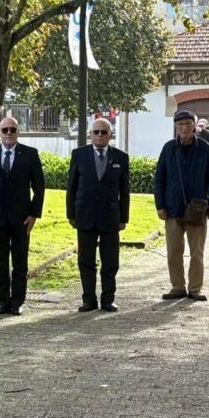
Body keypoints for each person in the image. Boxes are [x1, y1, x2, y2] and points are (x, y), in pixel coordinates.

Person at [153, 110, 209, 302]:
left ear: (194, 126)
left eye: (187, 124)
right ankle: (177, 287)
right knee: (174, 251)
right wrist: (160, 205)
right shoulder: (168, 148)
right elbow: (159, 178)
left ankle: (195, 289)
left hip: (197, 209)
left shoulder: (204, 148)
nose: (184, 128)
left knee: (197, 253)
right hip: (172, 208)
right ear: (176, 127)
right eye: (180, 124)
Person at [66, 118, 131, 312]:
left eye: (104, 132)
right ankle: (88, 300)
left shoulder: (121, 157)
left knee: (110, 261)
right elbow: (72, 187)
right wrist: (71, 214)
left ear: (110, 135)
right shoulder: (79, 155)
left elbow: (124, 191)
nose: (100, 136)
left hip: (110, 217)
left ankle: (108, 299)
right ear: (90, 134)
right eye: (96, 132)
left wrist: (123, 218)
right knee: (86, 260)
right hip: (85, 215)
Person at [0, 116, 45, 316]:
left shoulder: (30, 154)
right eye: (5, 130)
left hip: (22, 218)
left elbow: (39, 187)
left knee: (20, 262)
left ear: (18, 132)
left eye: (12, 129)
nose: (8, 134)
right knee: (1, 261)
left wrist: (34, 214)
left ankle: (18, 301)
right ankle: (3, 301)